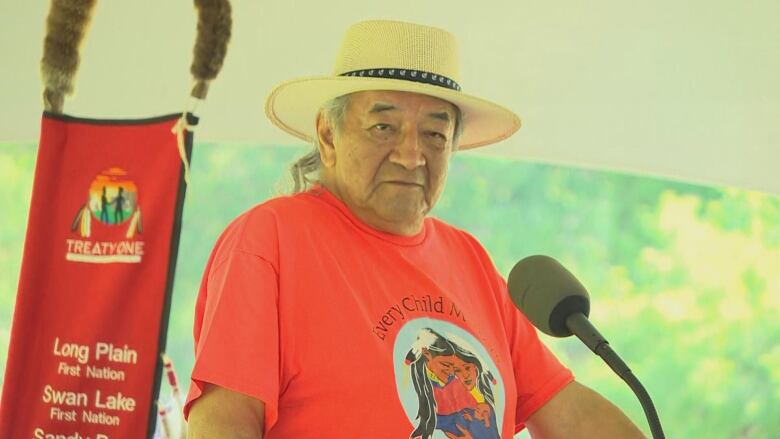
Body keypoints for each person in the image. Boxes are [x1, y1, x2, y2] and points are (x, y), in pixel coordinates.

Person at [185, 19, 646, 438]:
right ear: (328, 135)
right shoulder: (270, 239)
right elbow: (223, 422)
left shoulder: (469, 260)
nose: (411, 155)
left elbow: (564, 409)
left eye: (434, 134)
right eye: (383, 127)